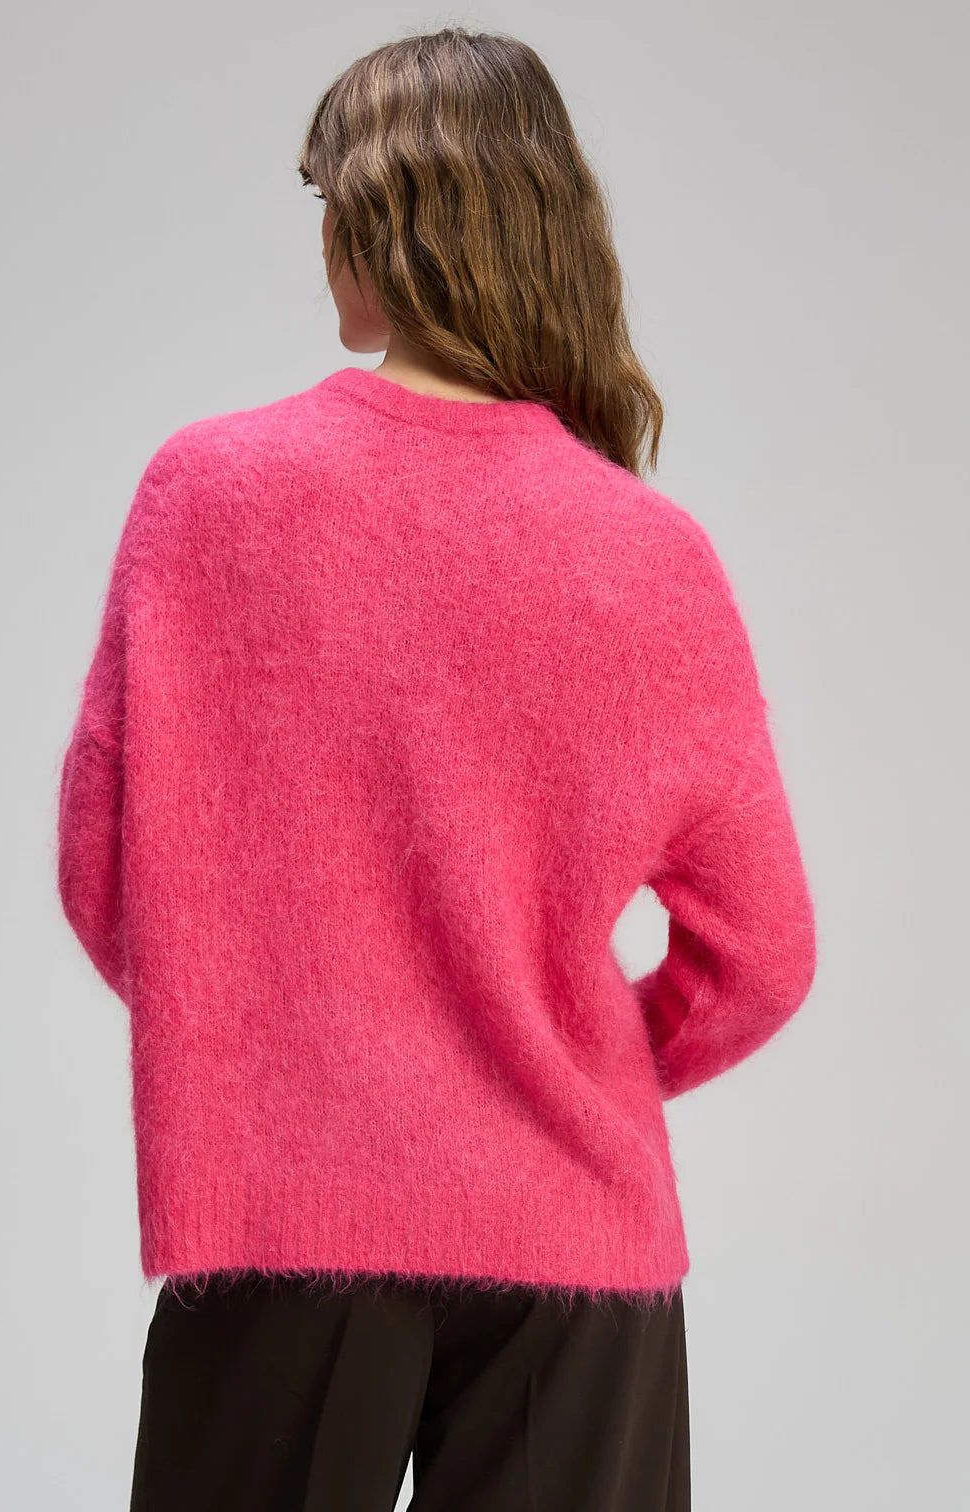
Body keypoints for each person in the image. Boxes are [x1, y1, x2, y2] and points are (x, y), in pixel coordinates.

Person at [56, 26, 817, 1512]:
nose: (321, 240)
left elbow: (105, 875)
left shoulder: (205, 494)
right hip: (576, 1249)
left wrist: (276, 1052)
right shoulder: (650, 555)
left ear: (383, 222)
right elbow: (765, 956)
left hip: (278, 1227)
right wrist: (563, 1062)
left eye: (328, 199)